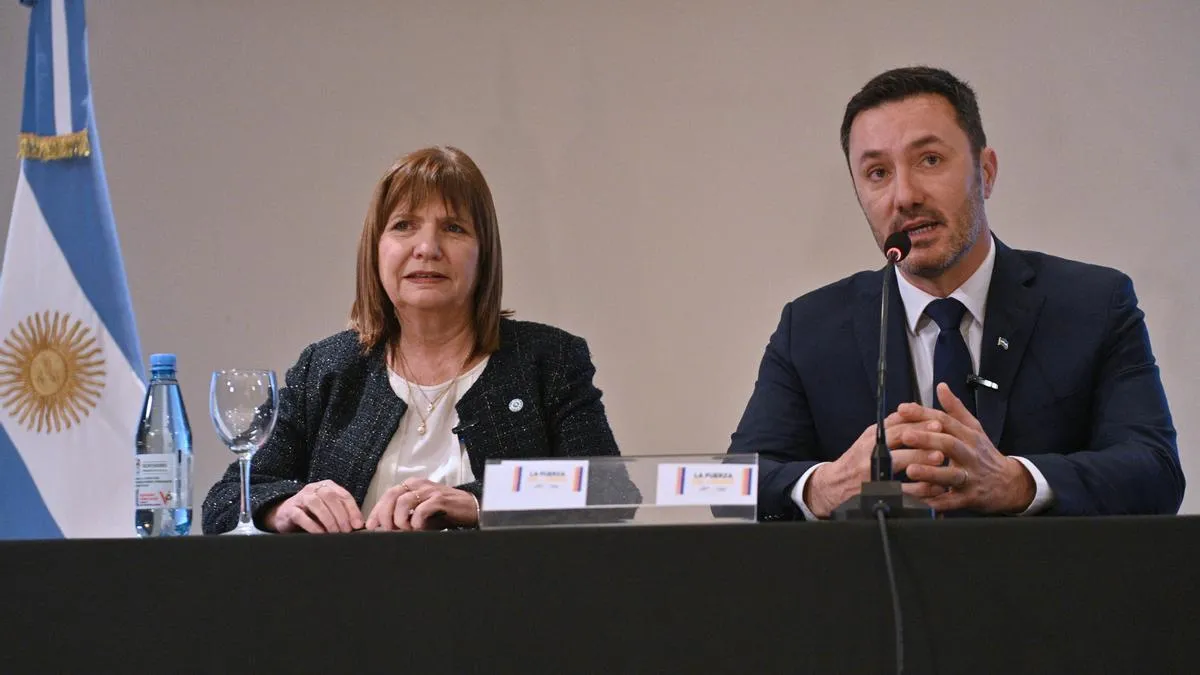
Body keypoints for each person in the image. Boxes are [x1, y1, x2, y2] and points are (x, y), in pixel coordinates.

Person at [729, 66, 1184, 520]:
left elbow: (1156, 471)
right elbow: (730, 487)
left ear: (985, 173)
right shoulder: (810, 327)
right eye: (877, 172)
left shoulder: (1093, 304)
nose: (904, 196)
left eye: (929, 160)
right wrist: (823, 487)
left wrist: (1018, 482)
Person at [203, 146, 626, 533]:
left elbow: (608, 492)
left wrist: (480, 503)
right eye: (404, 226)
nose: (427, 248)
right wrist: (285, 507)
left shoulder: (547, 361)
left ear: (484, 253)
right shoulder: (326, 368)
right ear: (377, 248)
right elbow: (225, 501)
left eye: (454, 228)